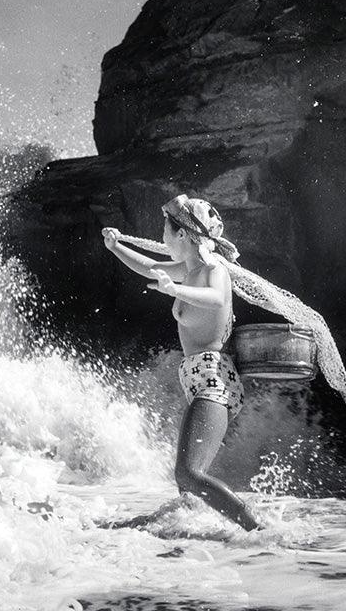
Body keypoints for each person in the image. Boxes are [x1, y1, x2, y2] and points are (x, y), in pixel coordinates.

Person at [102, 195, 260, 531]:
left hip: (215, 380)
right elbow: (149, 267)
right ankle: (179, 531)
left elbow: (216, 299)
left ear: (183, 236)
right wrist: (115, 247)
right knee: (187, 484)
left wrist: (175, 290)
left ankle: (259, 530)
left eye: (165, 231)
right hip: (200, 380)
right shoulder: (190, 270)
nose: (162, 238)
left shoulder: (213, 270)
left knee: (188, 473)